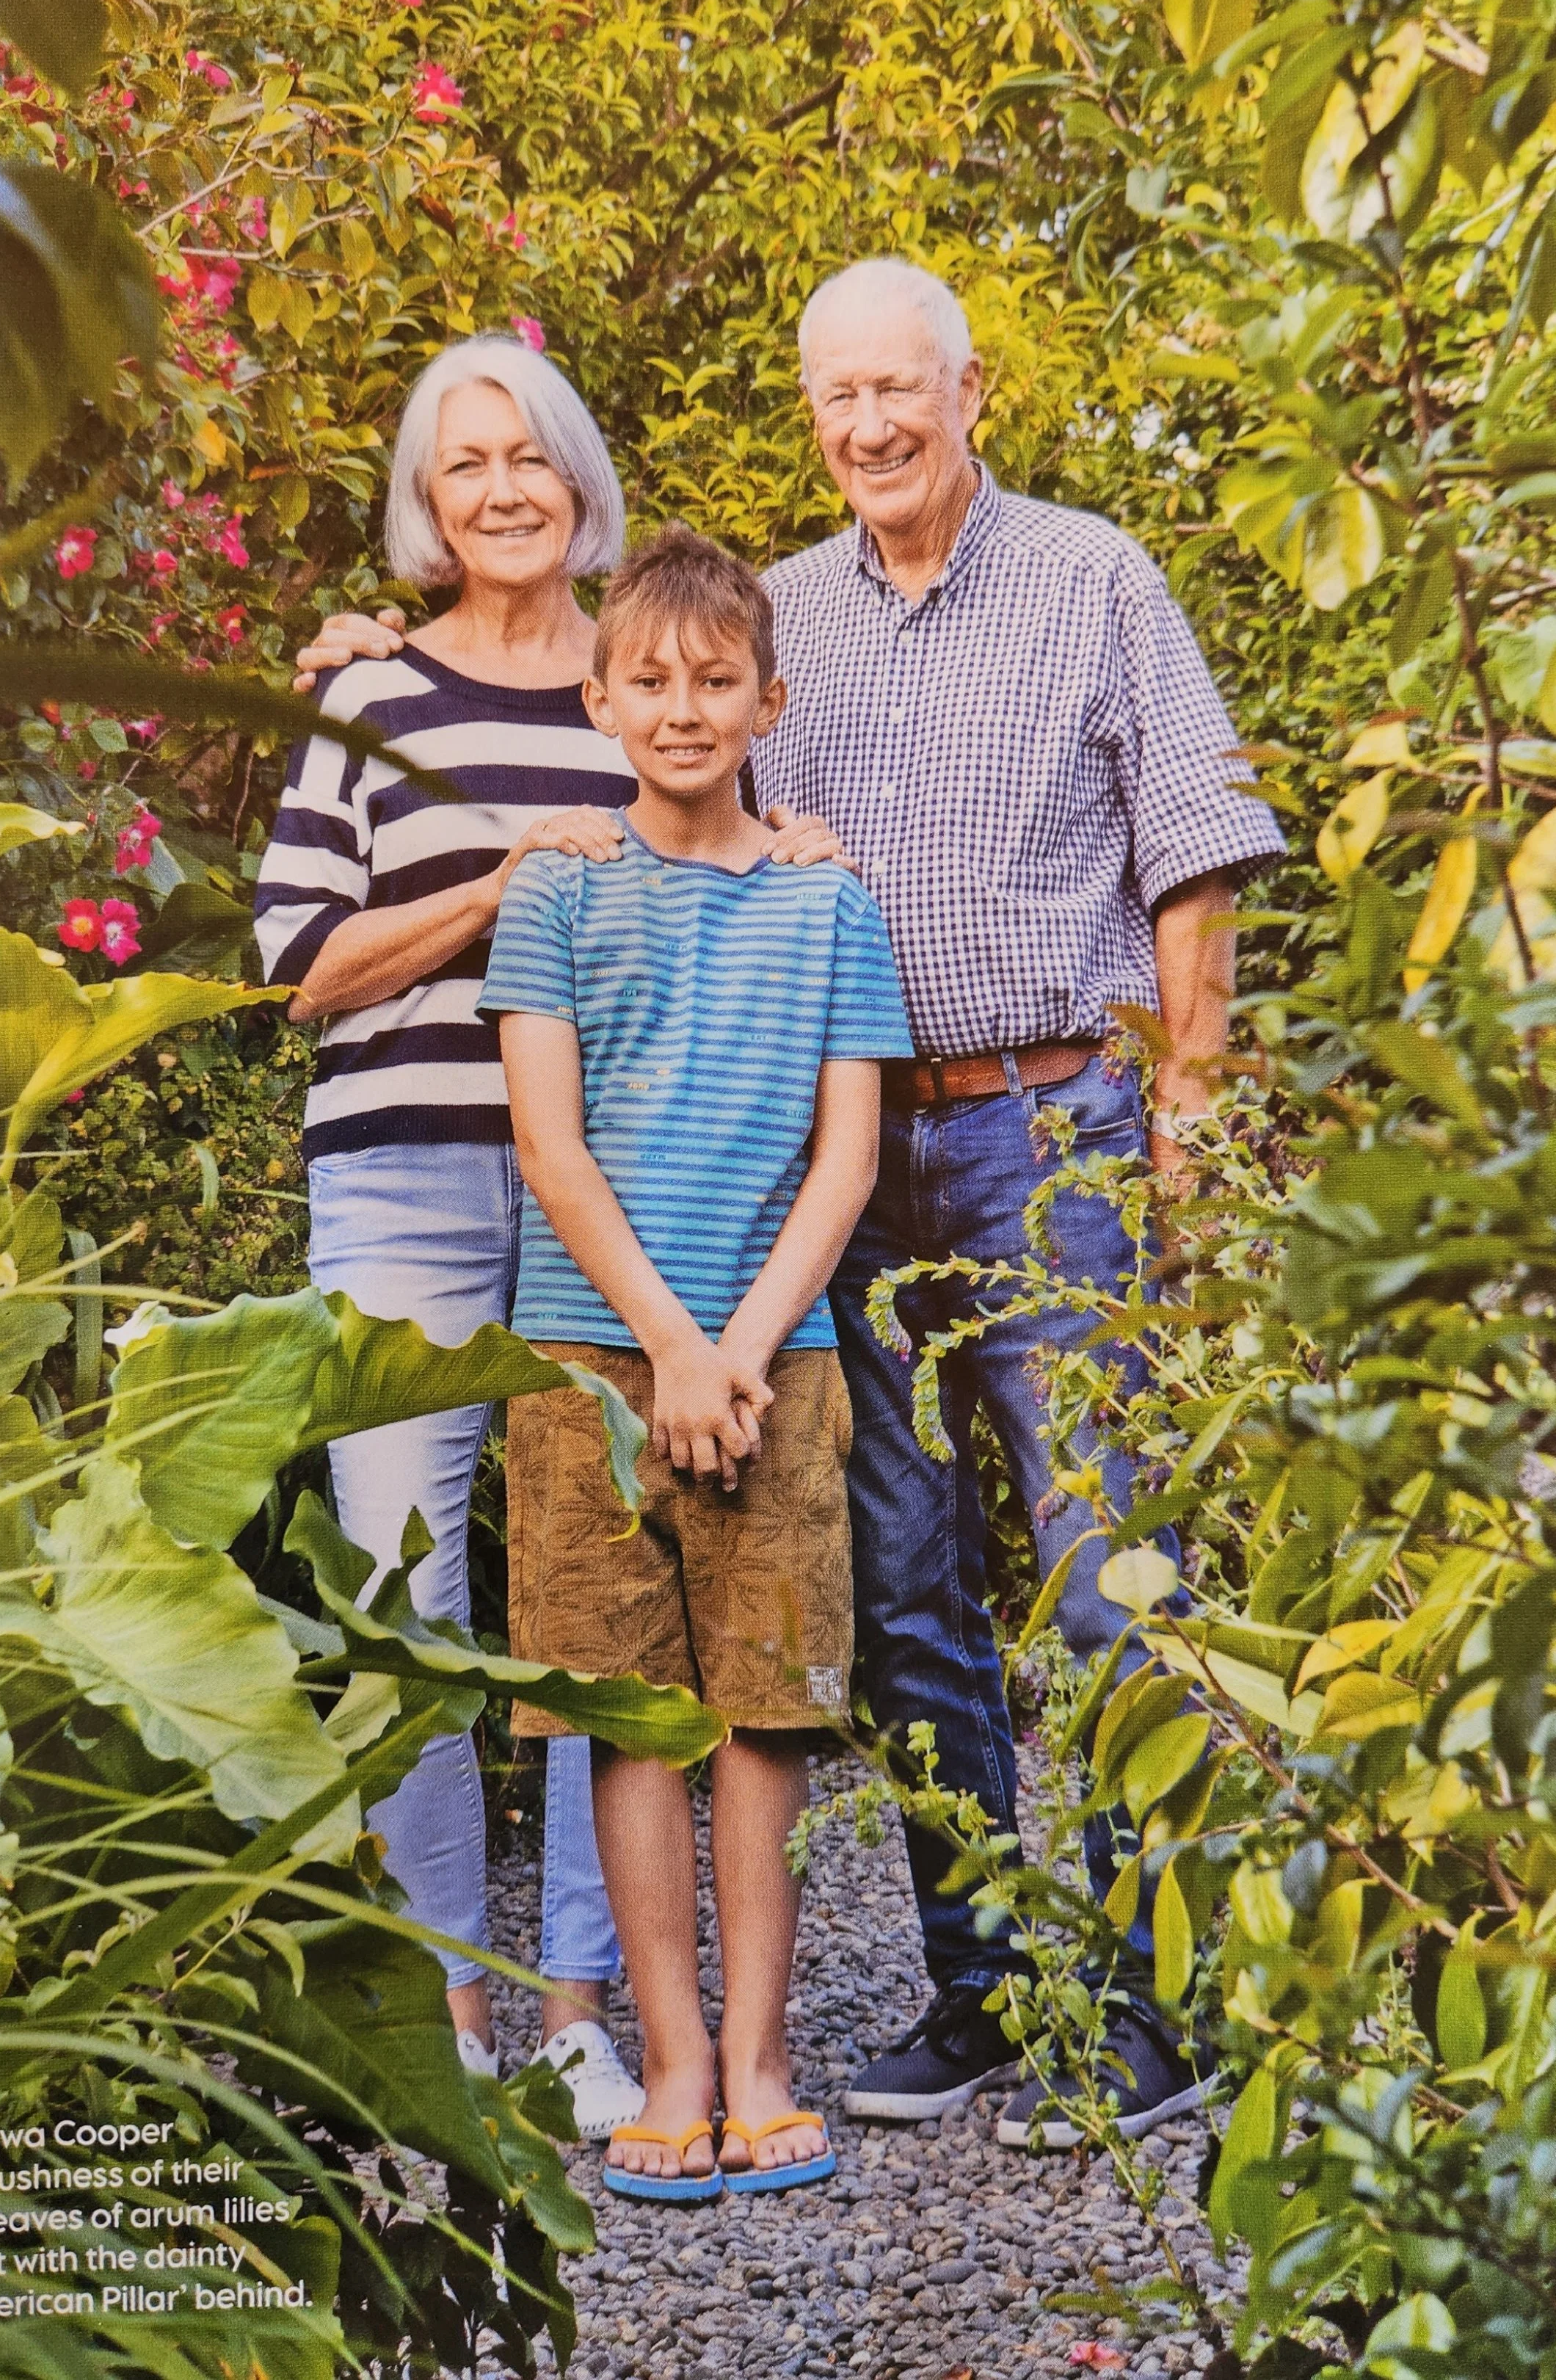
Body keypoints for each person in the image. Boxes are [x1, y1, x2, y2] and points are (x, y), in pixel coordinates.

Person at [296, 260, 1287, 2147]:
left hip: (1040, 1128)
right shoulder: (791, 616)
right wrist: (367, 641)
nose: (869, 426)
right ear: (814, 414)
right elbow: (625, 698)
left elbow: (1194, 831)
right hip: (845, 1172)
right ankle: (987, 1985)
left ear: (967, 389)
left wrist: (1186, 1093)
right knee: (906, 1591)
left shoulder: (1091, 575)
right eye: (837, 398)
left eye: (898, 390)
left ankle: (1158, 2004)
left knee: (1096, 1565)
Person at [480, 526, 916, 2202]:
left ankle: (759, 2057)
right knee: (631, 1713)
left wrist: (734, 1348)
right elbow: (547, 1142)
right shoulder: (558, 896)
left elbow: (845, 1160)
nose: (681, 708)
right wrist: (666, 1344)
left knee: (765, 1712)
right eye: (647, 681)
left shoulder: (826, 901)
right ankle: (666, 2059)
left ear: (765, 698)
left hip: (773, 1354)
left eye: (713, 681)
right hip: (595, 1356)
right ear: (598, 699)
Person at [253, 333, 646, 2136]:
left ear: (576, 483)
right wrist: (494, 891)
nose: (499, 489)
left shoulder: (636, 690)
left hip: (603, 1186)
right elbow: (293, 976)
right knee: (408, 1594)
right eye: (462, 463)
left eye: (528, 457)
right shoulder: (366, 704)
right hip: (400, 1174)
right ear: (426, 503)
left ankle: (576, 1997)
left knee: (587, 1595)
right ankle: (444, 2005)